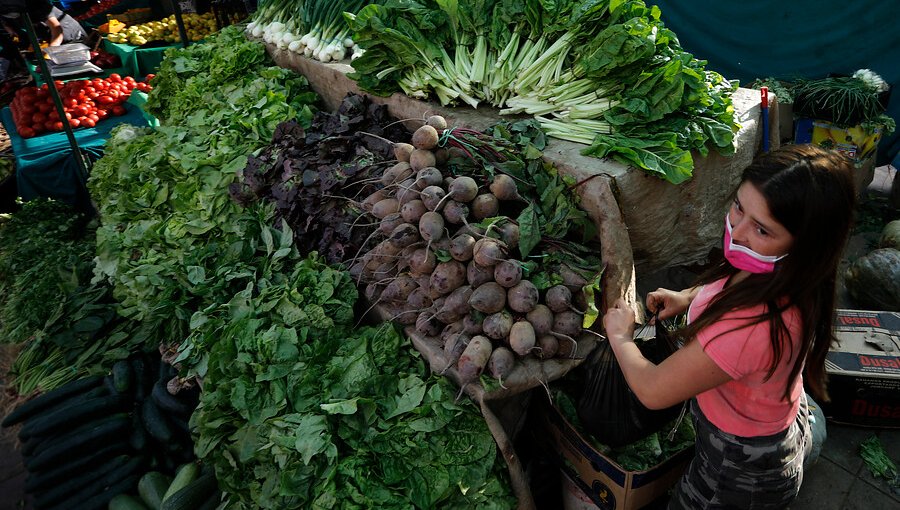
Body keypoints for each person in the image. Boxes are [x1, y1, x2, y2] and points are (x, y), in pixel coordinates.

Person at [602, 144, 856, 509]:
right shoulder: (786, 272)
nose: (737, 231)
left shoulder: (753, 327)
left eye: (762, 229)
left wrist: (621, 336)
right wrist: (688, 297)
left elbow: (653, 390)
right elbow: (728, 284)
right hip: (775, 418)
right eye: (739, 206)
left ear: (806, 245)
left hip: (740, 469)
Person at [0, 0, 86, 47]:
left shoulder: (35, 4)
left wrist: (51, 51)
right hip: (50, 37)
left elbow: (56, 29)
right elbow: (7, 26)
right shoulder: (5, 12)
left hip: (70, 35)